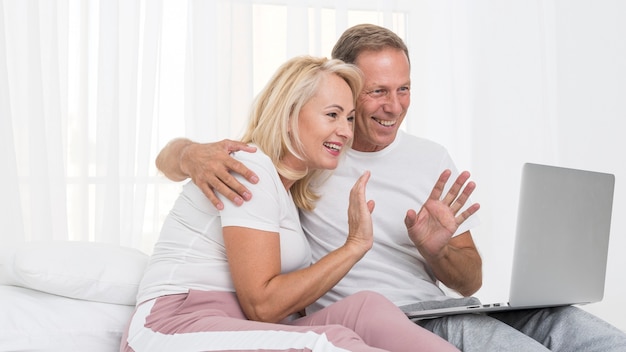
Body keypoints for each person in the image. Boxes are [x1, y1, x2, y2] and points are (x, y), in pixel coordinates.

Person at [154, 24, 626, 351]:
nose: (393, 107)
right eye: (377, 92)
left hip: (456, 305)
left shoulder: (430, 157)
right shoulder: (310, 155)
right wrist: (188, 152)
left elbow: (470, 280)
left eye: (404, 89)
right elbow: (238, 155)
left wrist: (436, 251)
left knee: (575, 327)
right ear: (343, 86)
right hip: (404, 320)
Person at [121, 55, 461, 352]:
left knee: (366, 309)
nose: (345, 131)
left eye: (349, 118)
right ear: (288, 115)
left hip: (241, 326)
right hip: (173, 327)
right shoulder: (247, 167)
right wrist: (355, 245)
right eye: (332, 114)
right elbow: (263, 306)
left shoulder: (290, 192)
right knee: (327, 343)